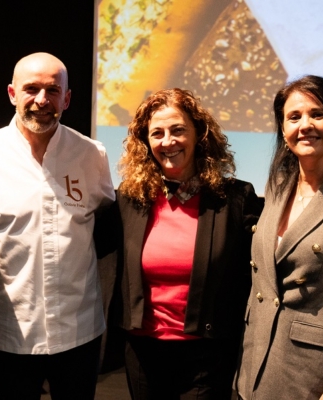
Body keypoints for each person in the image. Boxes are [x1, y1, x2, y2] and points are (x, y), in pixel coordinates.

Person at [0, 52, 115, 400]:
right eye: (31, 89)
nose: (42, 100)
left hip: (79, 329)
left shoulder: (92, 155)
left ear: (67, 98)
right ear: (13, 94)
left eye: (53, 90)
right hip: (10, 330)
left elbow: (105, 227)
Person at [111, 88, 260, 399]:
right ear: (145, 142)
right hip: (142, 351)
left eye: (178, 130)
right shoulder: (130, 198)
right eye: (157, 133)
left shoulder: (234, 199)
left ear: (199, 134)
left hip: (208, 354)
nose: (168, 141)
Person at [235, 75, 323, 399]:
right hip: (251, 370)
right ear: (283, 129)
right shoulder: (278, 187)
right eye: (294, 117)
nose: (305, 124)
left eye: (317, 114)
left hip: (311, 378)